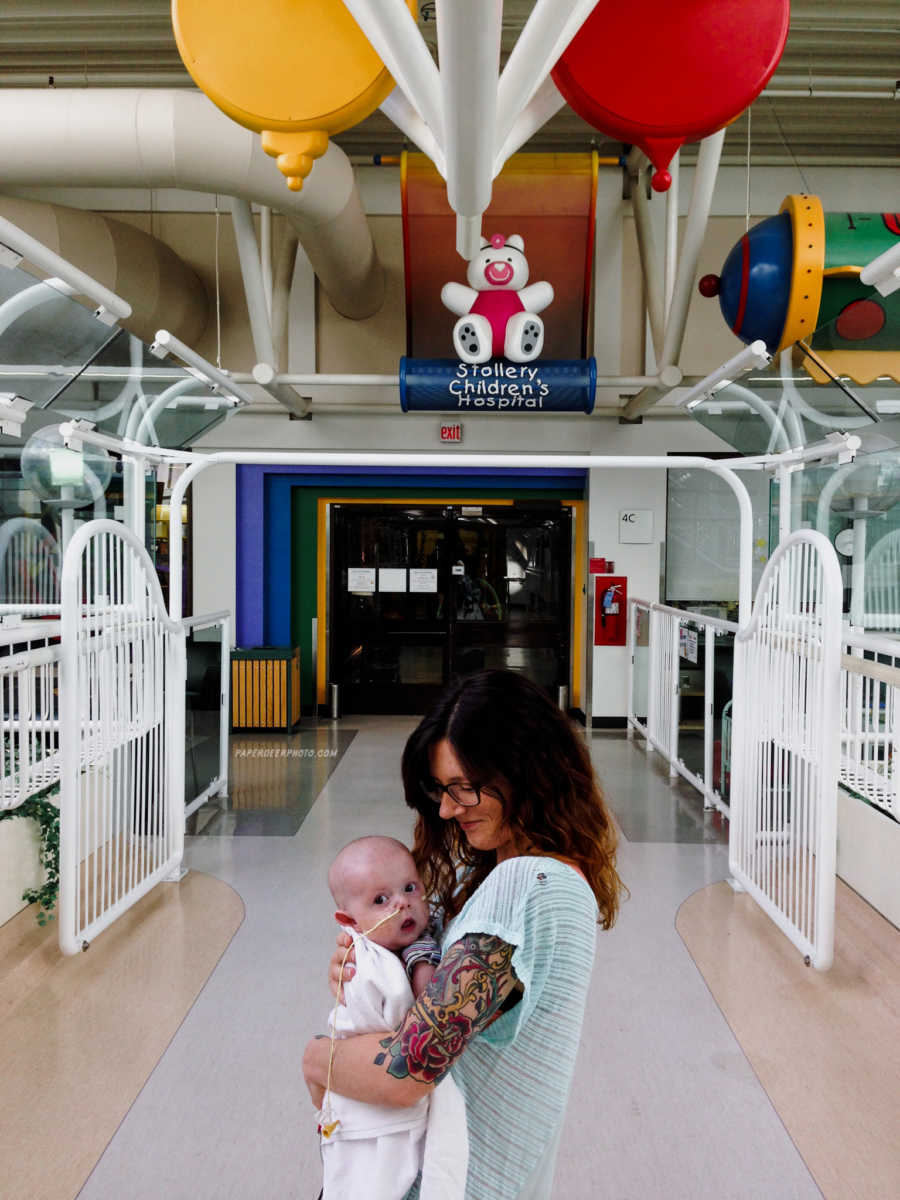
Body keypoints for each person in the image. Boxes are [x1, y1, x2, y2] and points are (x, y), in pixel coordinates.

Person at [304, 669, 623, 1200]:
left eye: (464, 788)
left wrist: (317, 1057)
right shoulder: (557, 880)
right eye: (440, 790)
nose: (448, 809)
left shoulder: (527, 882)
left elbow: (404, 1073)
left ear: (527, 771)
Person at [318, 836, 468, 1200]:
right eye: (380, 900)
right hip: (372, 1097)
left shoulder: (419, 944)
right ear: (349, 921)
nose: (402, 903)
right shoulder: (374, 959)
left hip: (367, 1083)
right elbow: (422, 1008)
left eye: (410, 888)